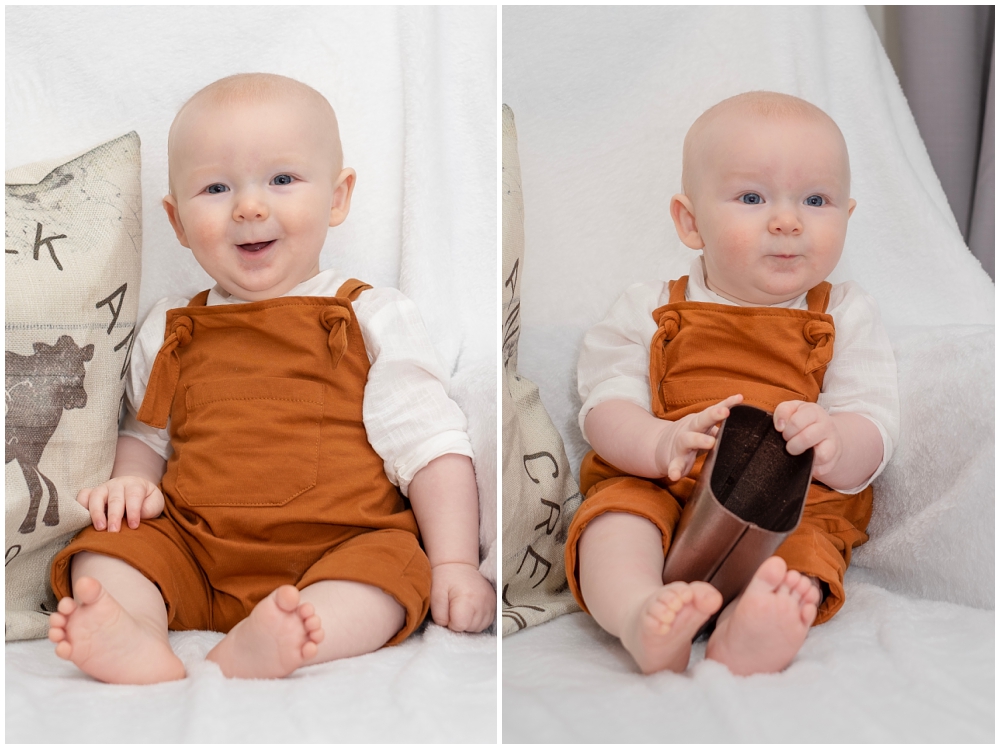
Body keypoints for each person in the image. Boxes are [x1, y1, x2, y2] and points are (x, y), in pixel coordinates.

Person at [47, 73, 495, 684]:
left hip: (339, 548)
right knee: (104, 549)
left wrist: (453, 562)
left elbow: (430, 448)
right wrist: (130, 485)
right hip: (196, 551)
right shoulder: (172, 327)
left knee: (393, 571)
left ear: (338, 198)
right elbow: (147, 433)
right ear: (177, 223)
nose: (249, 206)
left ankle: (291, 634)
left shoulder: (368, 315)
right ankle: (133, 633)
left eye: (282, 180)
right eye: (215, 187)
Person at [565, 91, 898, 676]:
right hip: (664, 483)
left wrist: (838, 442)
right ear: (690, 222)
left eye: (816, 200)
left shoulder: (846, 314)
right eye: (752, 197)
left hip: (786, 505)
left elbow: (875, 421)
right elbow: (604, 404)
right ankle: (640, 613)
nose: (787, 220)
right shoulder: (649, 308)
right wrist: (657, 443)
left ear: (846, 216)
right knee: (615, 521)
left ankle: (749, 627)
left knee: (802, 561)